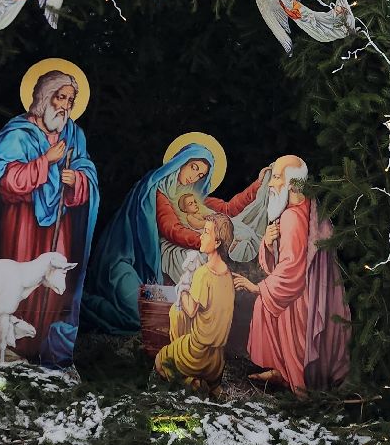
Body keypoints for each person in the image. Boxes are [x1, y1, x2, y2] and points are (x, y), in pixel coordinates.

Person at [0, 68, 99, 367]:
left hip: (60, 224)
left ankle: (48, 350)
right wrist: (46, 161)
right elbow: (6, 181)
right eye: (61, 97)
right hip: (24, 226)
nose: (65, 106)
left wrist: (77, 180)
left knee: (56, 285)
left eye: (71, 100)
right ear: (45, 96)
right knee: (20, 287)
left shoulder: (73, 134)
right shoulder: (18, 133)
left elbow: (88, 172)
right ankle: (12, 349)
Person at [89, 140, 264, 335]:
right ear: (180, 162)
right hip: (124, 261)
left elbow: (227, 209)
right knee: (137, 314)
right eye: (193, 167)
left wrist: (257, 186)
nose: (193, 177)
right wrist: (207, 242)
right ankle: (86, 303)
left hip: (150, 270)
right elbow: (171, 228)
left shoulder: (192, 197)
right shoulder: (157, 190)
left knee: (163, 312)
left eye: (200, 175)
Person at [232, 155, 351, 393]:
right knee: (266, 303)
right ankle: (281, 370)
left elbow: (291, 272)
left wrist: (257, 288)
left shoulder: (291, 217)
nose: (272, 185)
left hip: (301, 300)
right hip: (314, 293)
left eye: (276, 178)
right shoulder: (308, 206)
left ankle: (293, 378)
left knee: (263, 306)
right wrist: (267, 242)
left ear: (291, 184)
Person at [155, 215, 238, 396]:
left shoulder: (203, 273)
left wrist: (183, 290)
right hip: (216, 361)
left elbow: (191, 310)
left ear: (217, 243)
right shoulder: (227, 274)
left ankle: (191, 382)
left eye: (206, 232)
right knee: (177, 315)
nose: (201, 236)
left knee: (160, 362)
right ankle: (211, 384)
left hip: (196, 353)